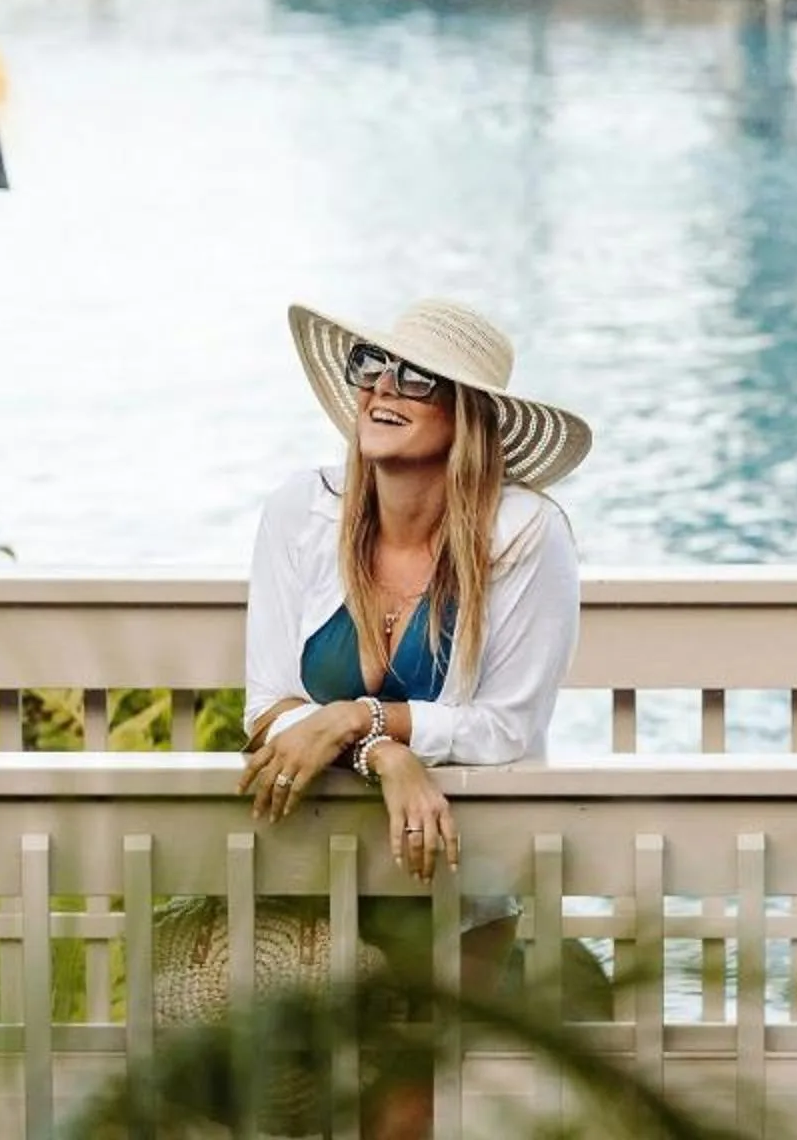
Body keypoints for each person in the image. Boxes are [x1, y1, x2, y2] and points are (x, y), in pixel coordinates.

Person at [232, 296, 588, 1112]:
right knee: (295, 1106)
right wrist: (383, 751)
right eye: (372, 366)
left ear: (469, 415)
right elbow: (267, 706)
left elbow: (506, 728)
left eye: (417, 377)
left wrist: (356, 716)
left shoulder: (526, 534)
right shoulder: (302, 511)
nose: (383, 387)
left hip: (452, 870)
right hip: (315, 864)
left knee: (401, 1114)